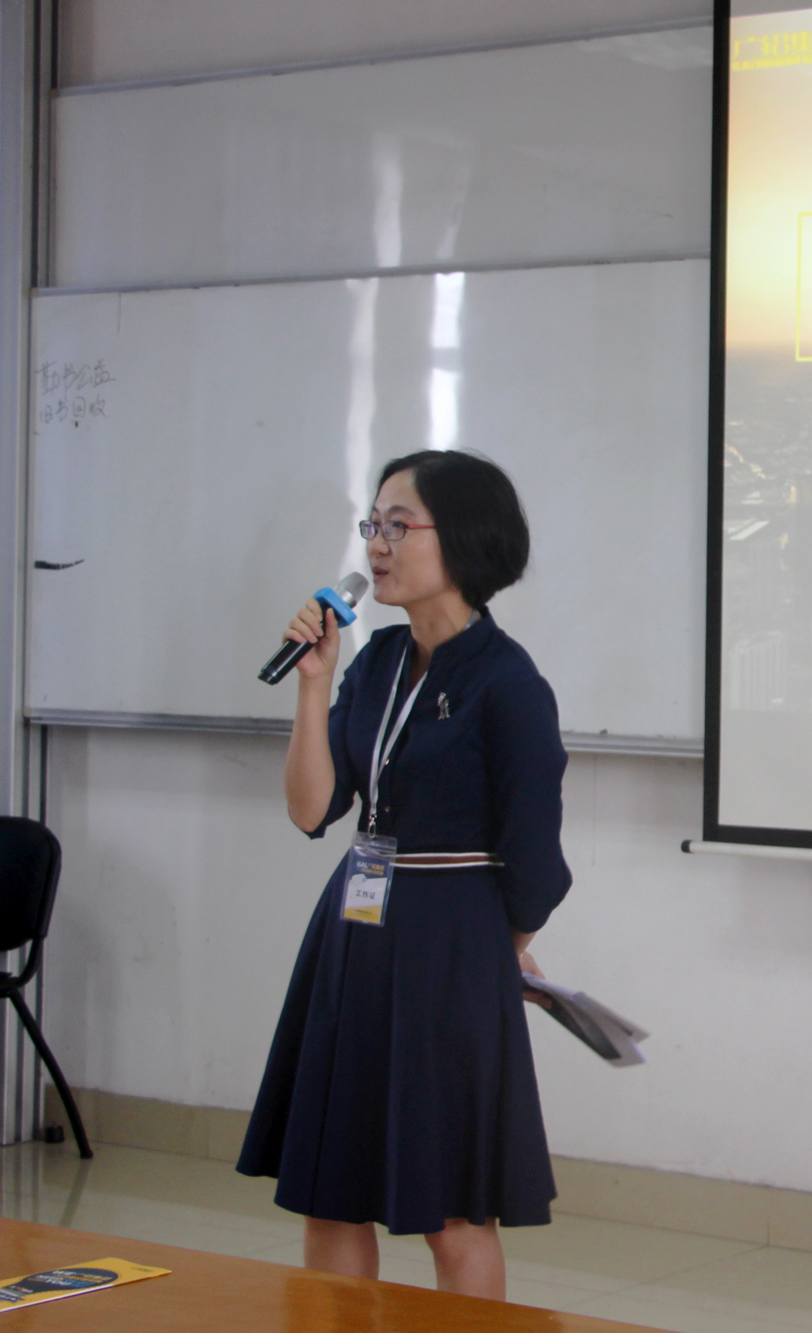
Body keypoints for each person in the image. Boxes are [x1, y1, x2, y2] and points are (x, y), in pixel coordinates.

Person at [236, 450, 570, 1301]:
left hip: (451, 948)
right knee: (332, 1195)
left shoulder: (508, 681)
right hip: (354, 934)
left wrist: (496, 951)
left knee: (451, 1210)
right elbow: (313, 809)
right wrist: (312, 688)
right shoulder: (378, 658)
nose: (377, 546)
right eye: (372, 525)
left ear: (463, 538)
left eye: (398, 526)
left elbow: (537, 862)